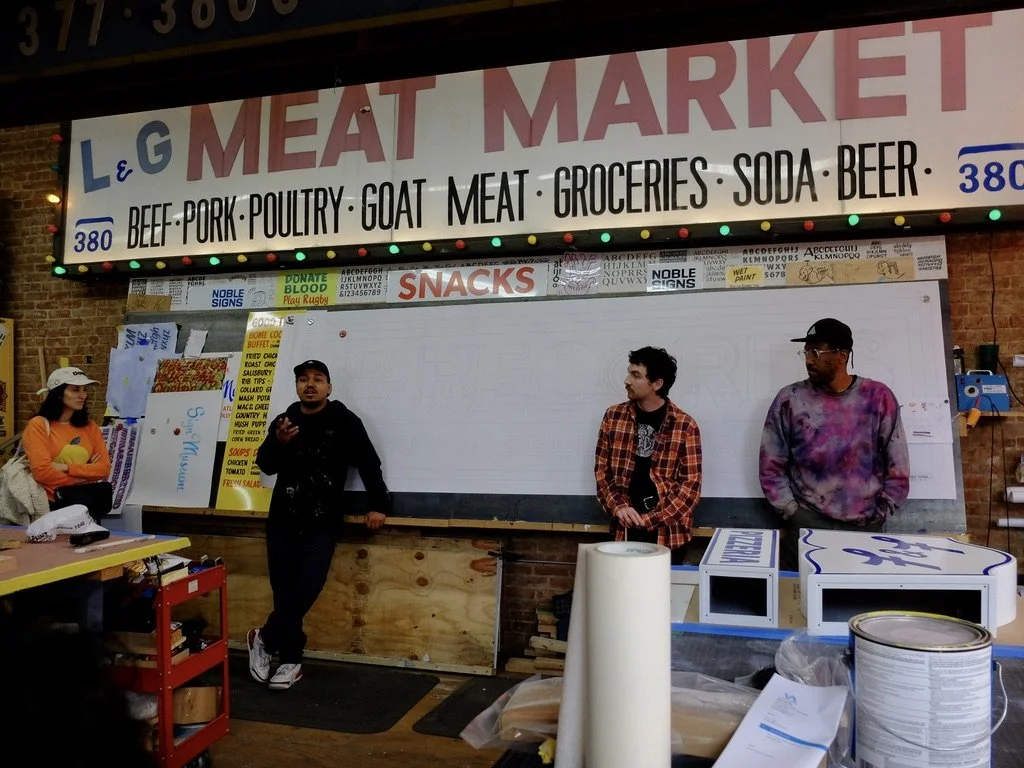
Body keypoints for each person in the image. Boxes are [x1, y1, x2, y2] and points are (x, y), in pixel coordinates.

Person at [247, 359, 391, 690]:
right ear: (296, 386)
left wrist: (378, 504)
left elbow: (369, 463)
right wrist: (278, 443)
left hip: (321, 520)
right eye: (303, 379)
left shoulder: (345, 421)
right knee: (283, 592)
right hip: (283, 518)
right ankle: (291, 660)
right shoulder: (285, 421)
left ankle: (265, 638)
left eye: (318, 379)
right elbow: (266, 465)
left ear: (329, 387)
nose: (310, 384)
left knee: (308, 586)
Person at [759, 318, 910, 571]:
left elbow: (898, 463)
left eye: (816, 351)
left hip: (864, 527)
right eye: (806, 351)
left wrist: (882, 510)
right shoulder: (790, 399)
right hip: (807, 525)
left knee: (857, 600)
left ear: (842, 355)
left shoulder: (877, 397)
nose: (808, 359)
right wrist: (792, 511)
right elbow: (771, 463)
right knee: (800, 600)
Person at [594, 346, 702, 564]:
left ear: (657, 384)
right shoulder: (613, 416)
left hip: (668, 536)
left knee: (663, 597)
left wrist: (649, 520)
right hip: (623, 531)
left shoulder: (684, 426)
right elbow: (602, 472)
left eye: (636, 375)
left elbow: (690, 488)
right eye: (628, 372)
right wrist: (618, 507)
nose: (627, 380)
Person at [22, 367, 112, 508]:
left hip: (85, 506)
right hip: (50, 507)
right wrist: (84, 476)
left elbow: (104, 469)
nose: (83, 395)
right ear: (58, 394)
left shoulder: (90, 427)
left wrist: (64, 467)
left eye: (84, 389)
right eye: (75, 390)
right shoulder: (38, 425)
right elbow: (42, 473)